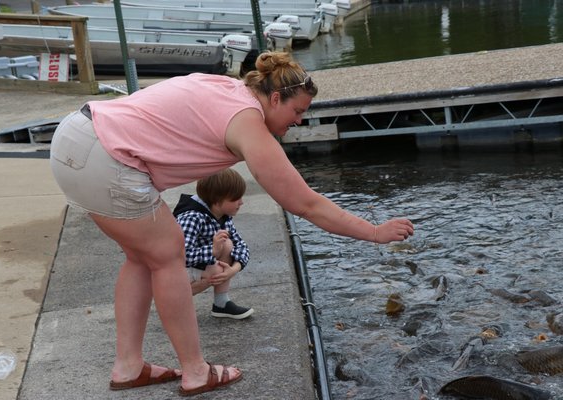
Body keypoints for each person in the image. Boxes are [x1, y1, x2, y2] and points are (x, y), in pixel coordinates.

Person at [49, 50, 414, 397]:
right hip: (108, 158)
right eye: (298, 110)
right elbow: (304, 203)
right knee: (167, 254)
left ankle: (128, 367)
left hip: (77, 137)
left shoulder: (228, 87)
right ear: (274, 99)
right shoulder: (248, 122)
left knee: (141, 256)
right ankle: (195, 372)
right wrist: (374, 232)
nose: (300, 120)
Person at [172, 168, 253, 320]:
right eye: (235, 199)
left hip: (197, 267)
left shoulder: (223, 215)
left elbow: (241, 246)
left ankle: (221, 304)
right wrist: (213, 251)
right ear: (217, 200)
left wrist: (233, 270)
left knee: (227, 244)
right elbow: (179, 255)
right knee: (218, 266)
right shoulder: (191, 217)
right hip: (173, 273)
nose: (241, 202)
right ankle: (175, 299)